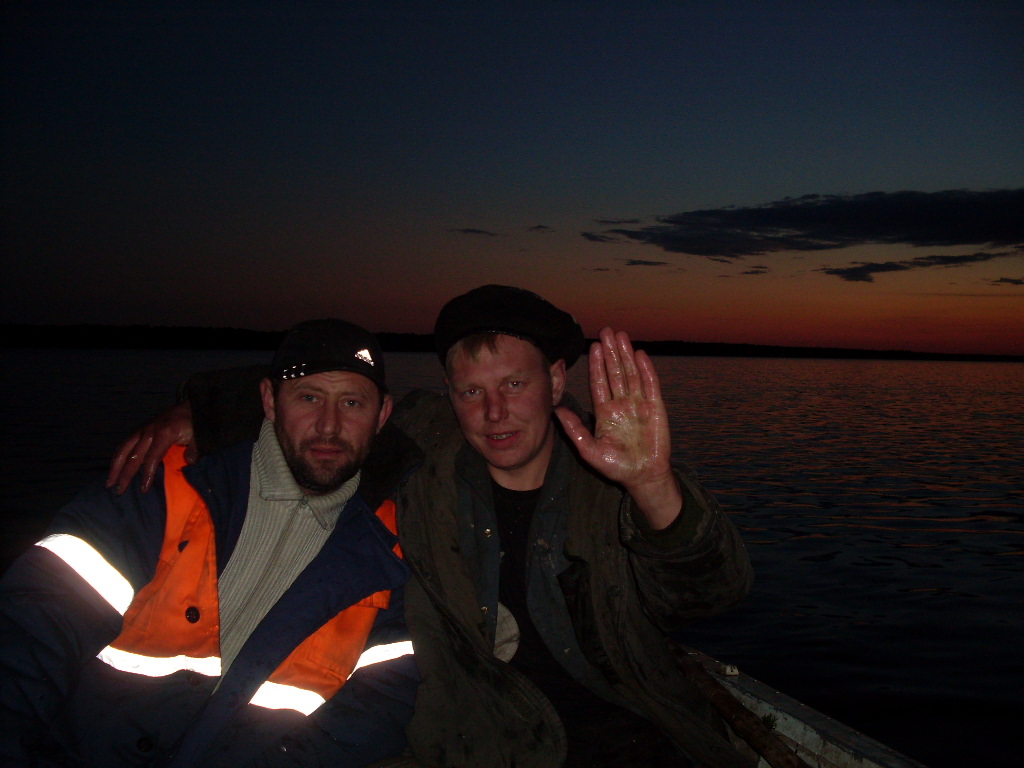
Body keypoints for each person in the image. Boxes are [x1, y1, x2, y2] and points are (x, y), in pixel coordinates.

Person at [106, 286, 755, 768]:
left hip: (640, 733)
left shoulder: (618, 464)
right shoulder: (420, 447)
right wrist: (196, 411)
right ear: (449, 392)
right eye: (471, 391)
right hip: (482, 743)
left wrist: (652, 486)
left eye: (515, 384)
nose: (494, 413)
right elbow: (327, 402)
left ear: (556, 380)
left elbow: (715, 595)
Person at [0, 319, 419, 768]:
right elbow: (33, 632)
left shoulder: (393, 551)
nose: (329, 426)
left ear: (382, 415)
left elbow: (376, 709)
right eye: (308, 397)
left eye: (352, 403)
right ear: (269, 401)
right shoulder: (162, 484)